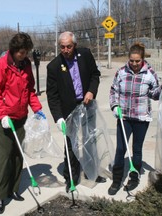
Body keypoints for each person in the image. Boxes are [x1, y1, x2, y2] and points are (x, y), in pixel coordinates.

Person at [0, 32, 45, 214]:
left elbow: (29, 90)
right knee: (5, 157)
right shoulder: (1, 65)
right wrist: (2, 115)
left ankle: (13, 189)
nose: (24, 55)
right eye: (22, 52)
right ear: (14, 50)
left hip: (21, 116)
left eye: (26, 52)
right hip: (4, 119)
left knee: (18, 155)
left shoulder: (26, 65)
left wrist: (37, 108)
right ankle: (0, 195)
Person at [108, 42, 162, 195]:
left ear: (142, 59)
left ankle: (134, 177)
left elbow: (153, 93)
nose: (134, 64)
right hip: (124, 117)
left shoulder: (149, 74)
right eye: (132, 60)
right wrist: (114, 105)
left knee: (136, 149)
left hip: (141, 117)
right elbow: (113, 90)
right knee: (121, 149)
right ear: (128, 59)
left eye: (137, 61)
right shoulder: (121, 72)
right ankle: (117, 180)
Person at [46, 31, 106, 193]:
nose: (65, 50)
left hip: (87, 104)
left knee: (90, 139)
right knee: (70, 145)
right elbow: (52, 96)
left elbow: (95, 75)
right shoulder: (53, 66)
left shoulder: (85, 55)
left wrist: (91, 91)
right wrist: (58, 118)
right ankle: (71, 177)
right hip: (68, 110)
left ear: (75, 45)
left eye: (69, 46)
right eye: (62, 47)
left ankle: (91, 172)